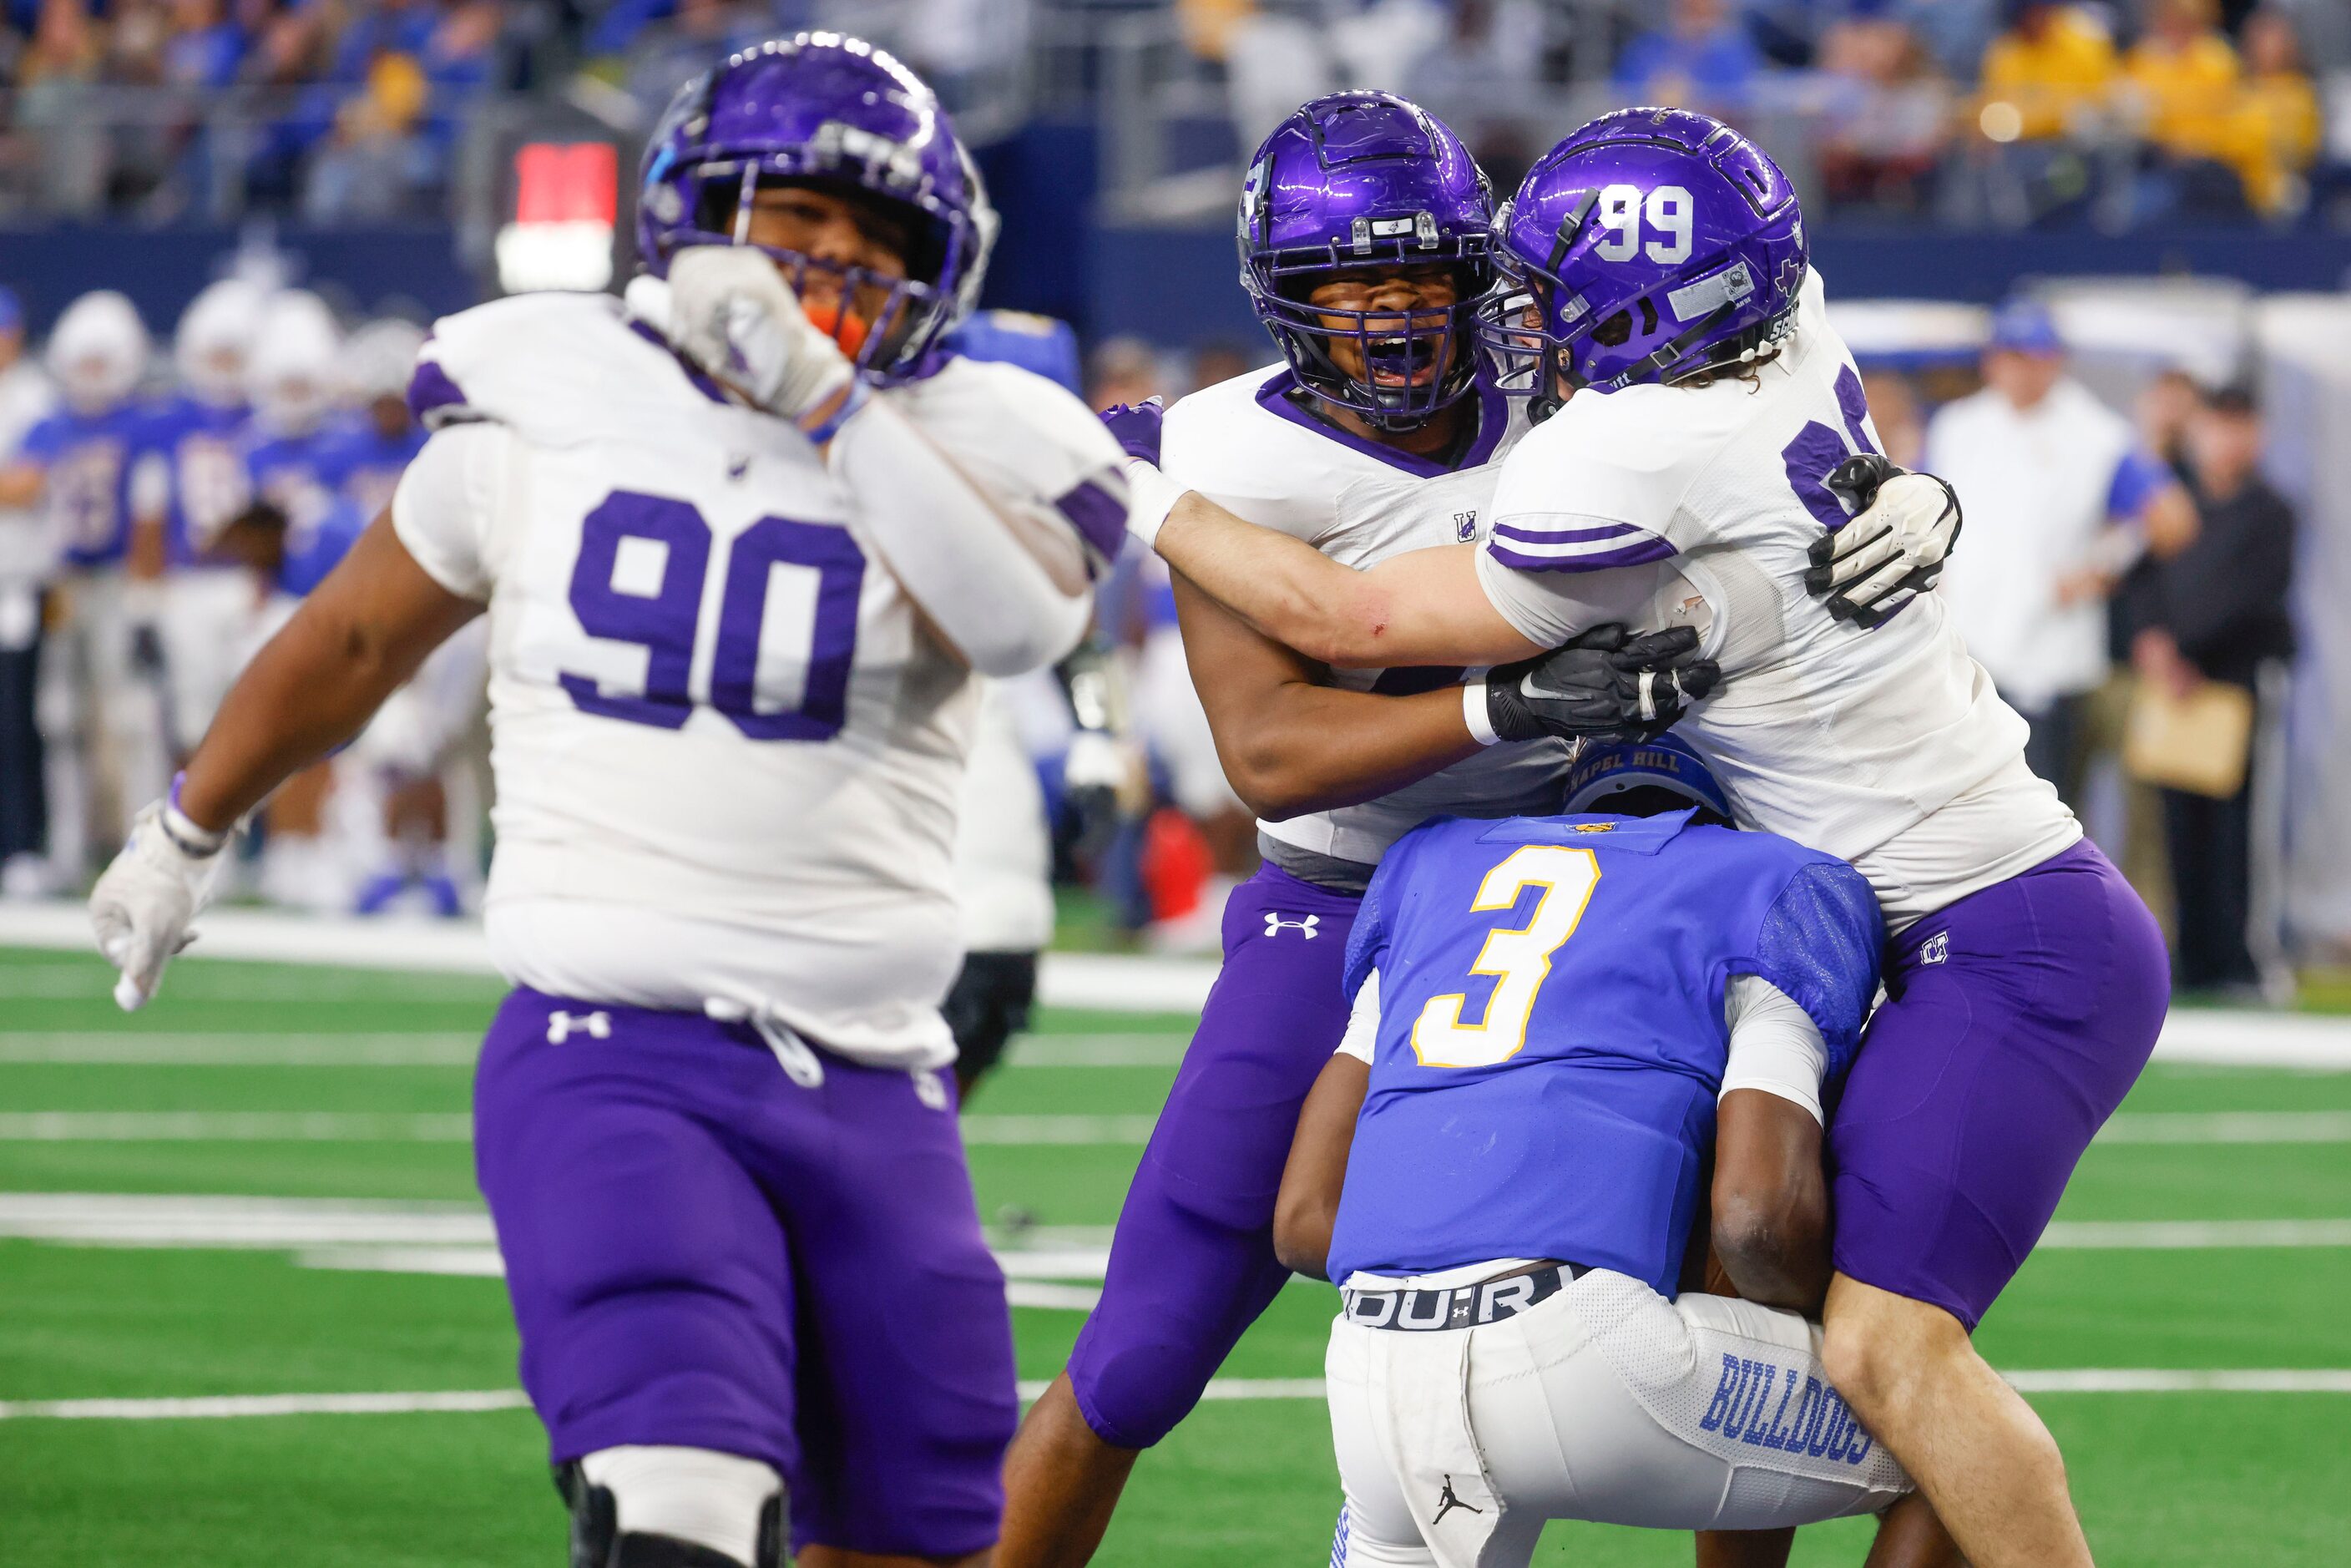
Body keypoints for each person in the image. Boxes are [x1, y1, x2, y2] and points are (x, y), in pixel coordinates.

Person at [88, 32, 1125, 1568]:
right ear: (694, 223)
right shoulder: (547, 397)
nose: (832, 259)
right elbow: (357, 637)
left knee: (923, 1538)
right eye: (796, 220)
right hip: (617, 1044)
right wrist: (187, 823)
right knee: (680, 1510)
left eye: (874, 237)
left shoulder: (989, 434)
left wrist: (834, 406)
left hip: (881, 1082)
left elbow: (1024, 619)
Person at [1112, 108, 2162, 1568]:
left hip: (1991, 928)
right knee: (1812, 1335)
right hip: (1926, 893)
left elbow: (1339, 619)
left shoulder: (1625, 450)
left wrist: (1138, 486)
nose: (1521, 325)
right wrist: (1927, 493)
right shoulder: (1785, 324)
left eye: (1551, 294)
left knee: (1892, 1362)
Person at [999, 90, 1747, 1568]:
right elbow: (1273, 753)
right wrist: (1511, 704)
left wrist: (1896, 488)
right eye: (1350, 283)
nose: (1392, 315)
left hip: (1588, 895)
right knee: (1144, 1348)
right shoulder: (1221, 456)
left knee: (1731, 1275)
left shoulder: (1579, 376)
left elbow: (1760, 362)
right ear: (1286, 301)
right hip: (1345, 901)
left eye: (1418, 276)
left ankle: (1404, 1507)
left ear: (1481, 273)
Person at [1275, 739, 1923, 1566]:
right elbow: (1754, 1221)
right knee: (1960, 1450)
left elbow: (1303, 1222)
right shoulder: (1762, 882)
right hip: (1577, 1348)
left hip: (1370, 1366)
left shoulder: (1428, 870)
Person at [1925, 297, 2194, 814]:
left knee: (2045, 812)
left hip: (2049, 657)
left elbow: (2171, 520)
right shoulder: (1958, 427)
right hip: (1966, 652)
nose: (2026, 371)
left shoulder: (2092, 434)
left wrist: (2106, 564)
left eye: (2037, 357)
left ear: (2057, 361)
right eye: (2014, 356)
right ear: (1993, 360)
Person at [2136, 383, 2295, 994]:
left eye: (2241, 426)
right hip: (2172, 686)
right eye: (2218, 425)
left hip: (2234, 682)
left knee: (2237, 825)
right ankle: (2192, 954)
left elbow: (2254, 594)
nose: (2229, 440)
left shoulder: (2271, 509)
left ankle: (2239, 956)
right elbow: (2143, 572)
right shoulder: (2174, 498)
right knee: (2176, 821)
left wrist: (2185, 649)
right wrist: (2152, 639)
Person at [13, 290, 166, 867]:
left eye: (104, 361)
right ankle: (65, 845)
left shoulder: (143, 424)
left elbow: (156, 509)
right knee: (58, 717)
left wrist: (149, 585)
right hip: (63, 581)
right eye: (86, 361)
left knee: (132, 715)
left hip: (120, 580)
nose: (93, 374)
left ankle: (146, 845)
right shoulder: (50, 423)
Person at [141, 276, 265, 764]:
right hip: (188, 579)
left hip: (247, 580)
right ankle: (196, 830)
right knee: (191, 715)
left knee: (258, 708)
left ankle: (268, 834)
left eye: (233, 356)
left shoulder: (265, 417)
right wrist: (146, 593)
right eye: (216, 355)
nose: (224, 368)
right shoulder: (170, 419)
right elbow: (149, 509)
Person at [0, 286, 58, 894]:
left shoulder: (34, 395)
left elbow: (26, 486)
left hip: (16, 580)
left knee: (16, 720)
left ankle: (23, 844)